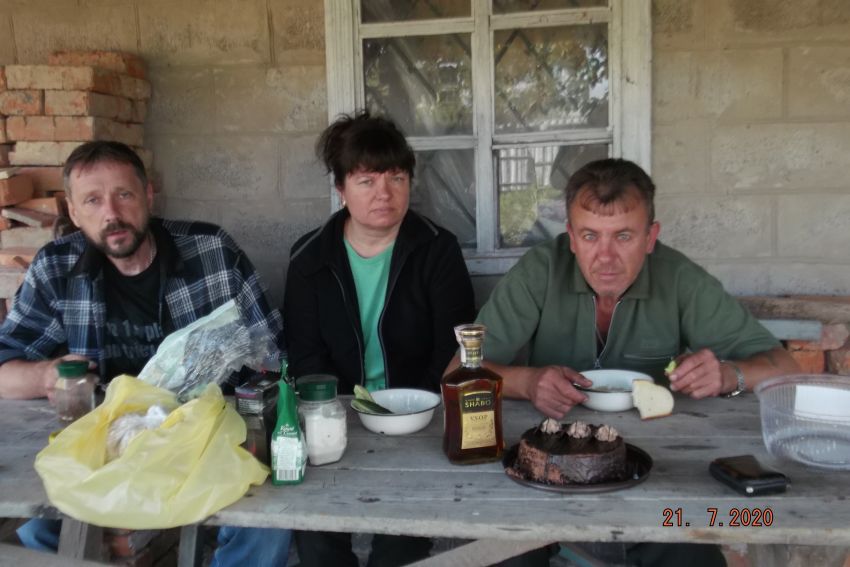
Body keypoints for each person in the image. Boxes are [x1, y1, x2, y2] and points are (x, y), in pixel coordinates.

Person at [455, 157, 800, 567]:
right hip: (545, 469)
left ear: (650, 237)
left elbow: (784, 366)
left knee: (694, 559)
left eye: (623, 236)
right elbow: (458, 373)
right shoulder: (540, 271)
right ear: (571, 237)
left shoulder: (678, 278)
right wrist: (528, 382)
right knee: (502, 553)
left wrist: (728, 375)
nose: (606, 257)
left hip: (659, 472)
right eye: (590, 236)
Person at [0, 141, 291, 566]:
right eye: (93, 201)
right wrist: (47, 375)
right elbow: (5, 366)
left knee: (268, 524)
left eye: (124, 194)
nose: (112, 214)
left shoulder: (212, 251)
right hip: (107, 438)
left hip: (204, 436)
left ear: (148, 195)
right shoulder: (56, 267)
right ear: (74, 213)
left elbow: (274, 356)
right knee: (38, 521)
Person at [283, 111, 476, 566]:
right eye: (367, 180)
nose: (384, 193)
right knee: (317, 538)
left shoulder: (437, 249)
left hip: (418, 415)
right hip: (336, 416)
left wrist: (415, 408)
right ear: (341, 188)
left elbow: (453, 345)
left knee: (401, 542)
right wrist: (337, 416)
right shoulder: (309, 258)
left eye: (396, 177)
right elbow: (306, 356)